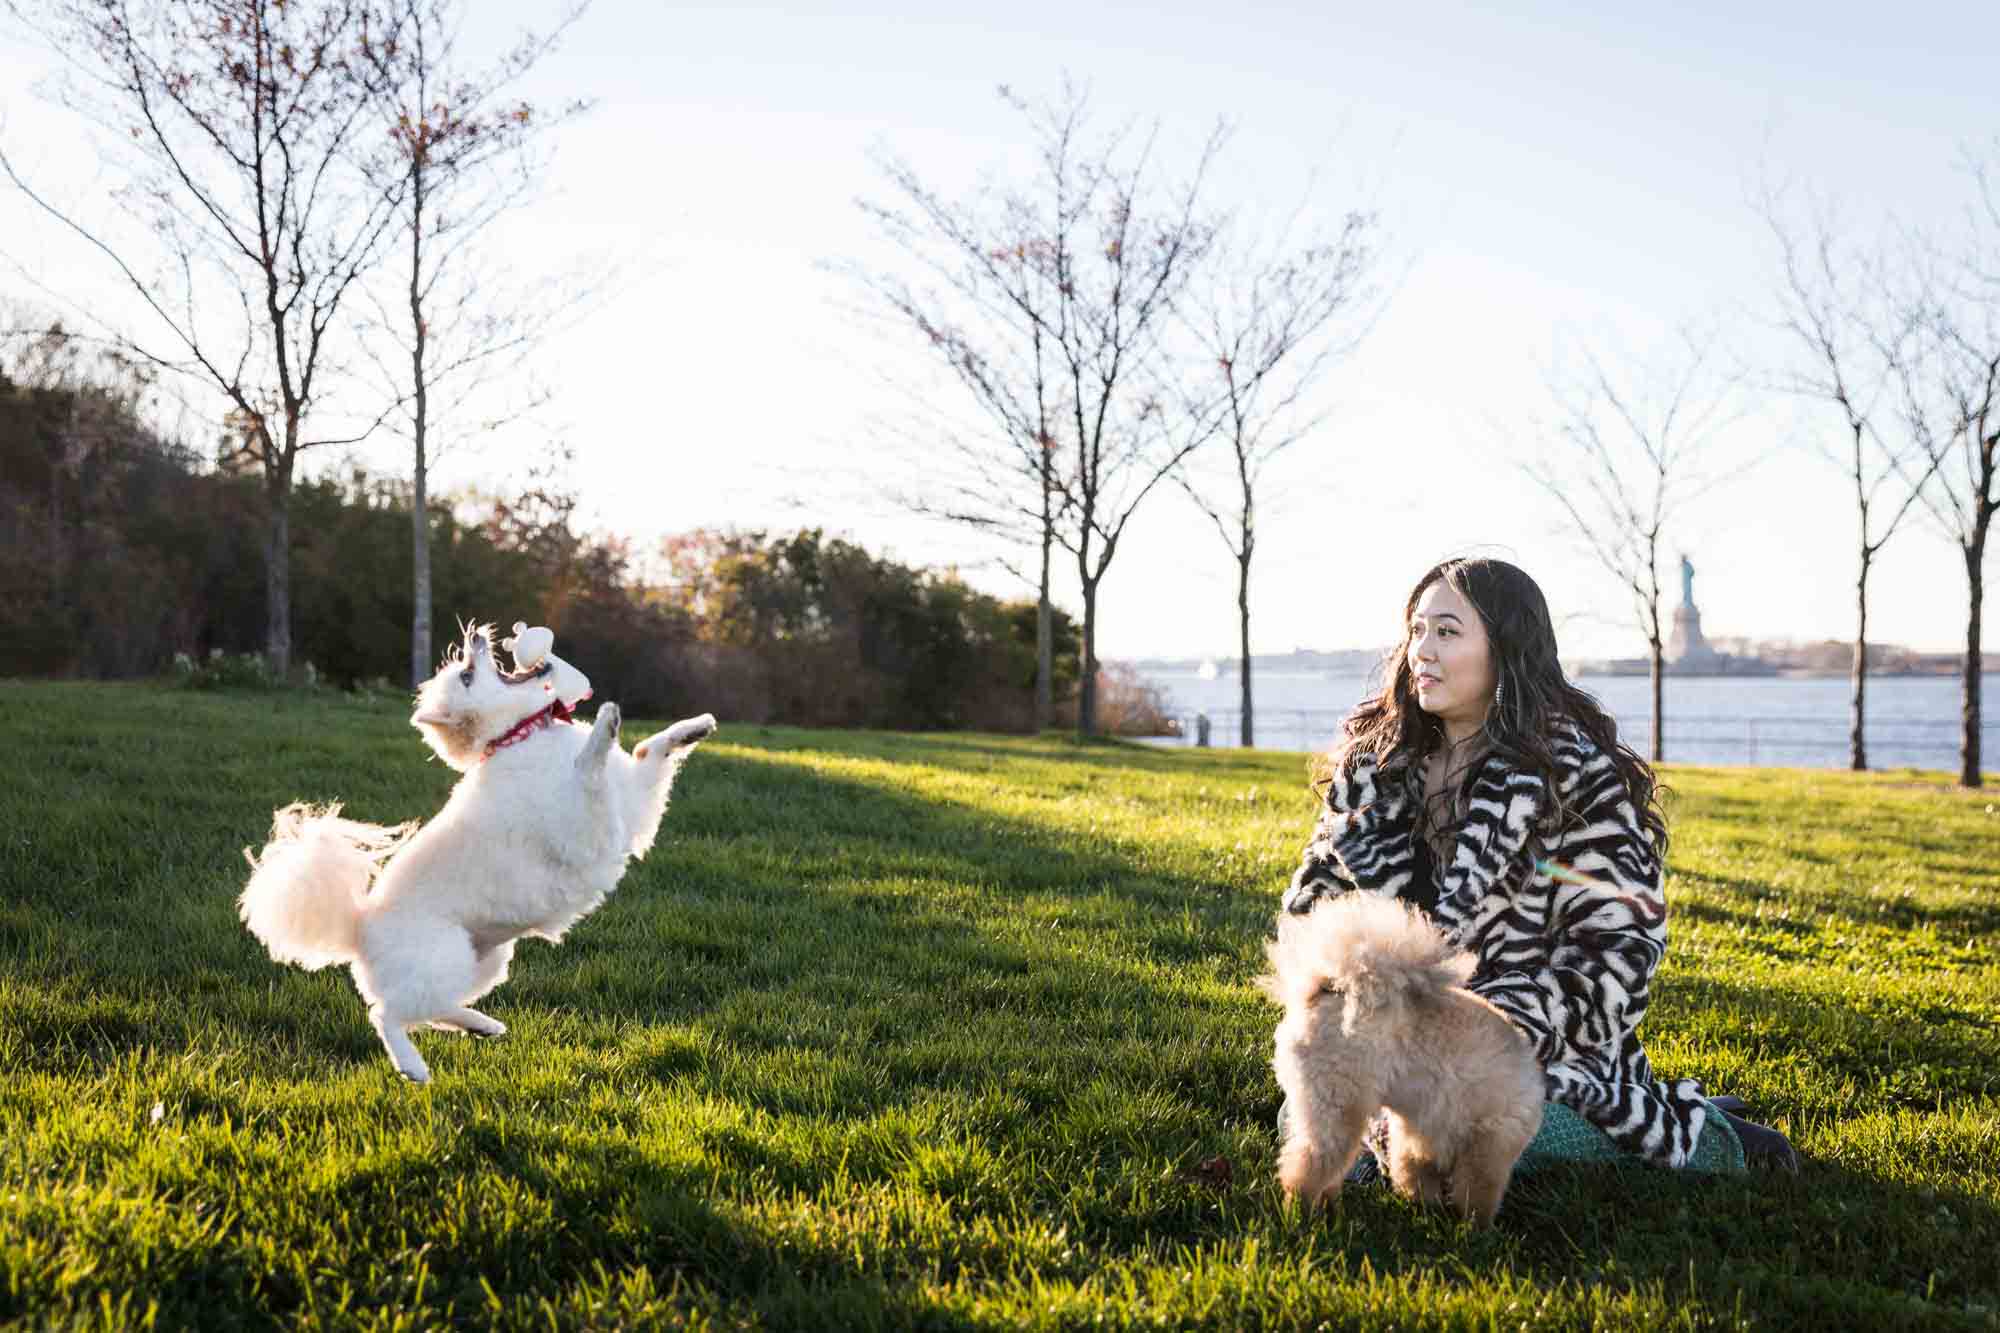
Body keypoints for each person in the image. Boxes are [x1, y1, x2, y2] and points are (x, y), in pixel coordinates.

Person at [1282, 557, 1797, 1173]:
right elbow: (1313, 911)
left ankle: (1713, 1138)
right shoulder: (1373, 772)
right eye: (1416, 630)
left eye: (1447, 632)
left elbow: (1617, 954)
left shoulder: (1573, 778)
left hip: (1532, 1052)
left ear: (1506, 649)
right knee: (1309, 1115)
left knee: (1490, 1132)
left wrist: (1482, 1039)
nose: (1422, 650)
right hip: (1385, 1045)